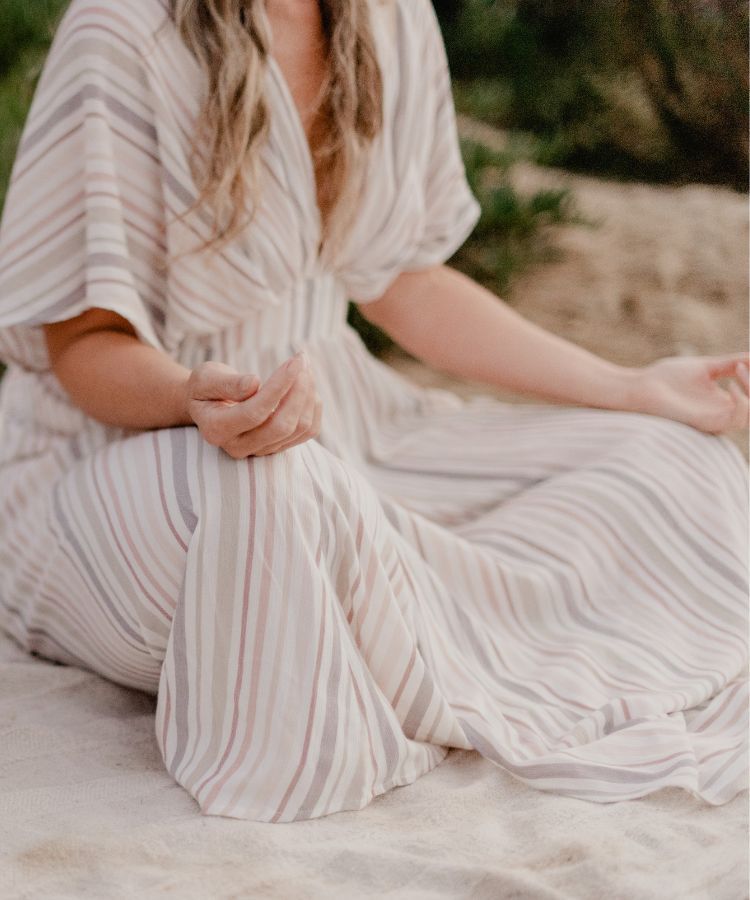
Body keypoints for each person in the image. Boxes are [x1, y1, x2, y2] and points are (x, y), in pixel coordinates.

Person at [0, 0, 747, 824]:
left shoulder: (392, 18)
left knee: (676, 456)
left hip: (346, 424)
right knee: (268, 495)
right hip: (125, 441)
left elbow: (404, 285)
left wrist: (632, 386)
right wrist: (190, 399)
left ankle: (433, 638)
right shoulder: (122, 29)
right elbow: (84, 344)